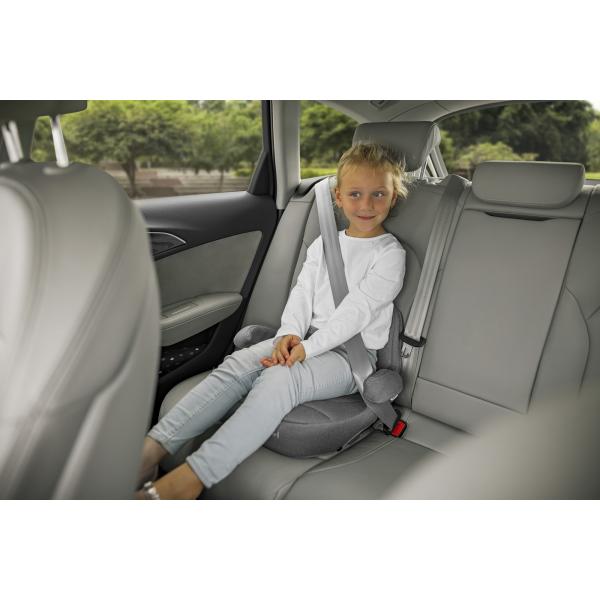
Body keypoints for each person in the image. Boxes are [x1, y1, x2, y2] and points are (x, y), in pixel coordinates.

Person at [135, 142, 408, 499]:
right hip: (306, 340)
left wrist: (306, 349)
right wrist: (288, 334)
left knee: (279, 378)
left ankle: (193, 478)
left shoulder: (389, 254)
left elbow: (355, 312)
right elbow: (302, 292)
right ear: (338, 197)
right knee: (238, 364)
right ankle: (151, 451)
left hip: (349, 357)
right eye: (355, 194)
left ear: (393, 197)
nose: (366, 204)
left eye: (378, 194)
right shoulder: (324, 244)